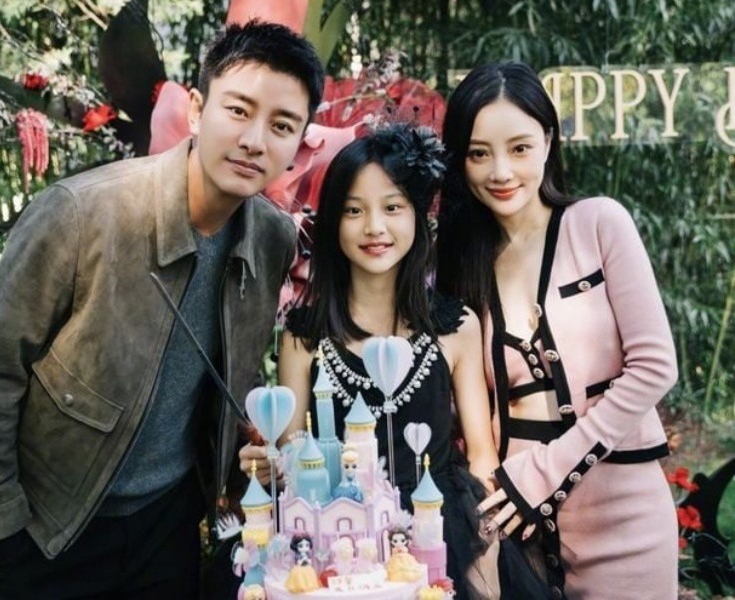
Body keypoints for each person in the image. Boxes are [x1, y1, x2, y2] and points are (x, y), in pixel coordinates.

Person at [0, 20, 324, 598]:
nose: (255, 140)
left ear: (298, 142)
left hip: (166, 528)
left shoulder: (272, 238)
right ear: (196, 110)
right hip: (51, 528)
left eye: (281, 125)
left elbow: (234, 368)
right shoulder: (81, 214)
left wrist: (240, 458)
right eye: (238, 110)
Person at [436, 62, 679, 599]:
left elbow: (655, 366)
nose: (501, 171)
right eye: (479, 154)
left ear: (548, 141)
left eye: (519, 148)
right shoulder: (460, 264)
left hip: (624, 519)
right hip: (518, 528)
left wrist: (541, 475)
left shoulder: (599, 223)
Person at [239, 123, 501, 599]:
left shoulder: (456, 326)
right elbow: (294, 457)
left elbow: (482, 454)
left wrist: (489, 555)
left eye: (392, 208)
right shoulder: (304, 336)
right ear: (333, 223)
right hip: (336, 548)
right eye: (354, 210)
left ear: (418, 216)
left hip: (438, 530)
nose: (374, 227)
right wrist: (266, 464)